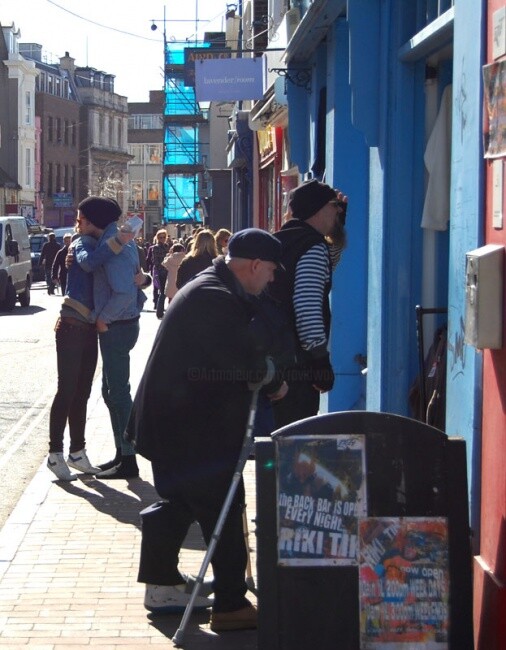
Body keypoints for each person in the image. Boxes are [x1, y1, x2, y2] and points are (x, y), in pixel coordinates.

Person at [127, 228, 288, 631]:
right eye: (270, 271)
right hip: (185, 427)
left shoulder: (215, 287)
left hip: (176, 424)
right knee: (224, 504)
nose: (271, 279)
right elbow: (238, 358)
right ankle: (231, 605)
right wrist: (273, 379)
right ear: (253, 265)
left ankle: (162, 585)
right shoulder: (214, 297)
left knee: (183, 499)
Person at [47, 207, 134, 481]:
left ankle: (77, 452)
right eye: (78, 219)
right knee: (67, 389)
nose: (77, 223)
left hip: (88, 329)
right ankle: (55, 454)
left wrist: (139, 278)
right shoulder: (81, 243)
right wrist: (118, 242)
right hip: (72, 326)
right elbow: (87, 262)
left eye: (82, 219)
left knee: (83, 391)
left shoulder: (100, 243)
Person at [73, 196, 151, 480]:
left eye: (80, 219)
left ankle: (129, 460)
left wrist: (103, 318)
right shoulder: (117, 240)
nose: (78, 224)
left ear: (93, 220)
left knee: (118, 393)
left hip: (117, 326)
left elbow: (123, 292)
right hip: (120, 325)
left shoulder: (114, 247)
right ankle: (122, 453)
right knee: (110, 392)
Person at [269, 179, 348, 429]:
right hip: (297, 367)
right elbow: (307, 307)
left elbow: (326, 267)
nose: (338, 211)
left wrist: (336, 230)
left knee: (275, 443)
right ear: (320, 208)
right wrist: (319, 362)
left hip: (276, 359)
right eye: (335, 206)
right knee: (295, 445)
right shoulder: (312, 247)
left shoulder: (283, 241)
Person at [146, 229, 170, 317]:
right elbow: (155, 261)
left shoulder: (168, 246)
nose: (162, 239)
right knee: (162, 291)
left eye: (164, 237)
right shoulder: (155, 247)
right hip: (160, 271)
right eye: (160, 237)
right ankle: (159, 310)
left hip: (167, 271)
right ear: (157, 238)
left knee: (165, 291)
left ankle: (162, 309)